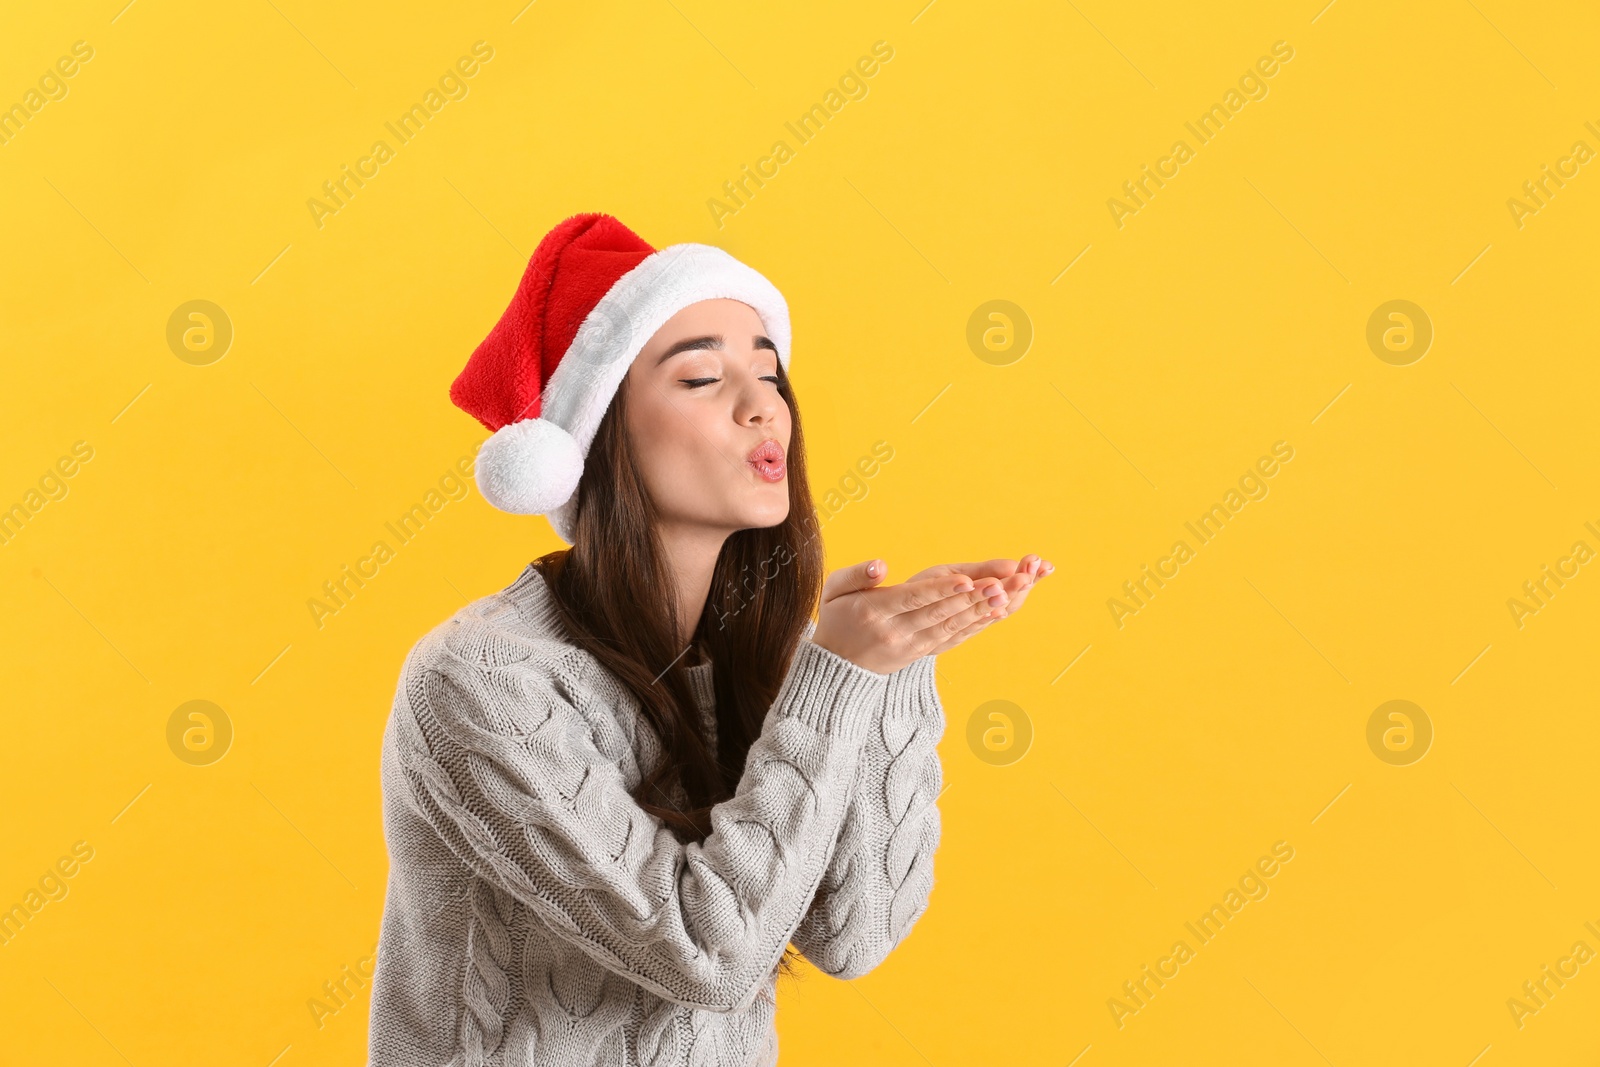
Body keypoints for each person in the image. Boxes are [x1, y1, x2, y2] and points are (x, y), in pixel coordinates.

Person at [367, 213, 1052, 1066]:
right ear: (599, 431)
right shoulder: (483, 678)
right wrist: (837, 677)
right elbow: (706, 954)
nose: (761, 403)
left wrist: (888, 672)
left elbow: (855, 933)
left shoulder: (750, 658)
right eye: (701, 378)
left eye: (770, 373)